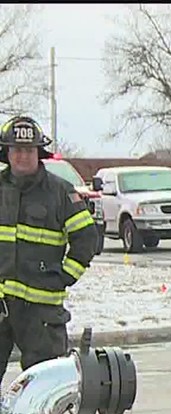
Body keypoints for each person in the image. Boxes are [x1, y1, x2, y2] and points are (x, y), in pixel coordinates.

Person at [0, 116, 98, 388]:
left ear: (38, 153)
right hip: (1, 304)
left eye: (29, 150)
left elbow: (86, 238)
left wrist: (65, 276)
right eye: (17, 150)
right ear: (7, 152)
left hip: (40, 312)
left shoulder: (60, 192)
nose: (22, 156)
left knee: (44, 385)